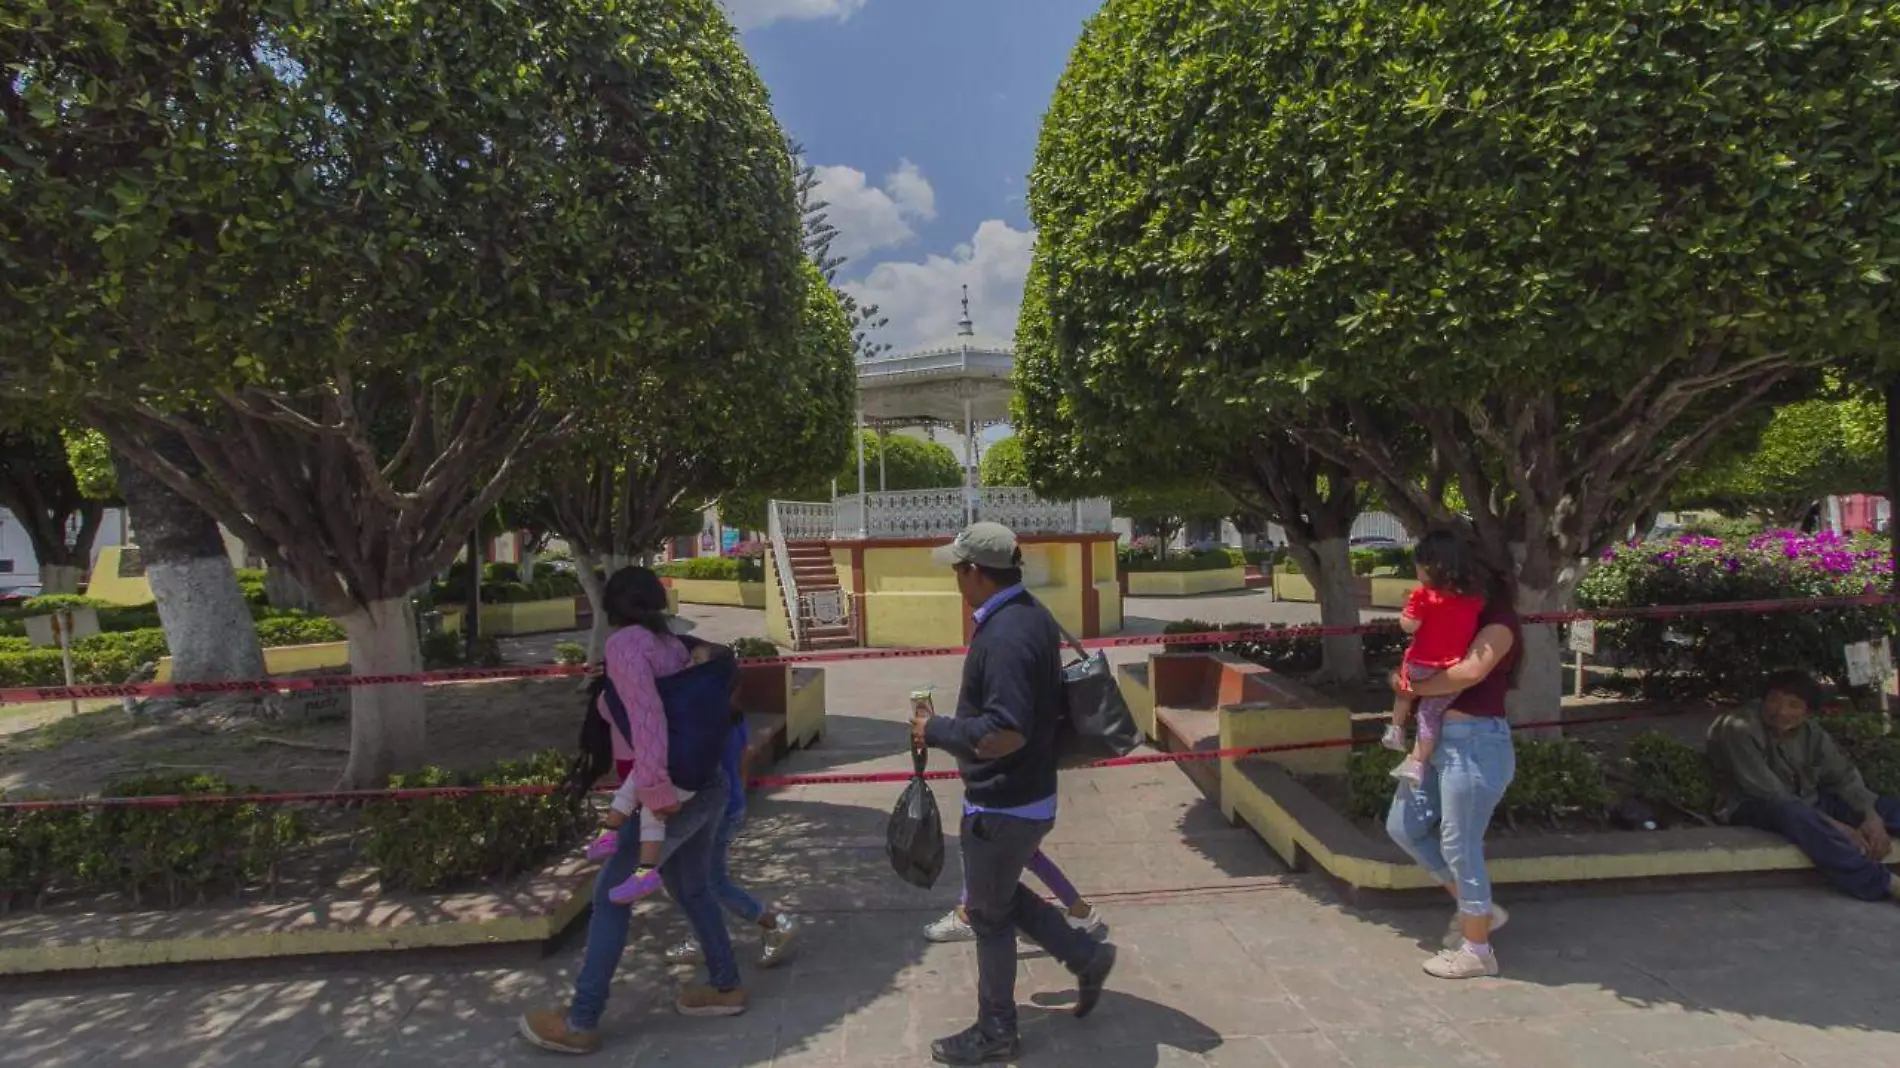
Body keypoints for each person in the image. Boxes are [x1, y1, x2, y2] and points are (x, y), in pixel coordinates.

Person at [912, 522, 1118, 1066]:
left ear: (977, 574)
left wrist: (935, 730)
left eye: (958, 570)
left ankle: (996, 1030)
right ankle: (1084, 955)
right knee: (997, 895)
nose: (955, 580)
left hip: (1004, 803)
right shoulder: (1026, 612)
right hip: (1025, 796)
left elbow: (1005, 731)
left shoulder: (1004, 636)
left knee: (988, 915)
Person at [519, 568, 747, 1056]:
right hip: (708, 783)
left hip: (667, 791)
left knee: (611, 898)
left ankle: (581, 1020)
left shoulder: (626, 647)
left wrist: (654, 787)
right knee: (692, 887)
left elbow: (648, 718)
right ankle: (726, 986)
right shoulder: (674, 644)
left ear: (610, 607)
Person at [1383, 530, 1519, 980]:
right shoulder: (1444, 608)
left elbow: (1467, 673)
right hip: (1439, 740)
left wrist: (1411, 688)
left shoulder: (1497, 620)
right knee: (1404, 825)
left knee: (1460, 845)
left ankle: (1477, 948)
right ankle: (1476, 910)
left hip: (1475, 742)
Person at [1707, 670, 1900, 904]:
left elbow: (1843, 776)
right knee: (1796, 816)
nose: (1780, 711)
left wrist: (1871, 816)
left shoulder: (1811, 733)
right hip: (1753, 806)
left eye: (1793, 705)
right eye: (1774, 699)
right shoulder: (1739, 728)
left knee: (1888, 808)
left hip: (1808, 801)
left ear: (1807, 712)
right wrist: (1837, 827)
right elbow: (1771, 793)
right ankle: (1882, 883)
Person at [661, 694, 802, 968]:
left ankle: (774, 923)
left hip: (712, 812)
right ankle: (703, 936)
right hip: (724, 807)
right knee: (678, 874)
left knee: (710, 881)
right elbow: (744, 756)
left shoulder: (705, 718)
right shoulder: (729, 712)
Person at [1382, 536, 1488, 785]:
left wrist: (1407, 609)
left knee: (1404, 693)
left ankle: (1395, 730)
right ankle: (1416, 762)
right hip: (1453, 670)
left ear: (1430, 567)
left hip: (1420, 664)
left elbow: (1409, 626)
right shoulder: (1474, 599)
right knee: (1430, 714)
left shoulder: (1423, 596)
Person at [922, 850, 1105, 944]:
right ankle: (1078, 907)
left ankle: (969, 916)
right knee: (1028, 850)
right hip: (1031, 800)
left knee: (975, 847)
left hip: (1002, 799)